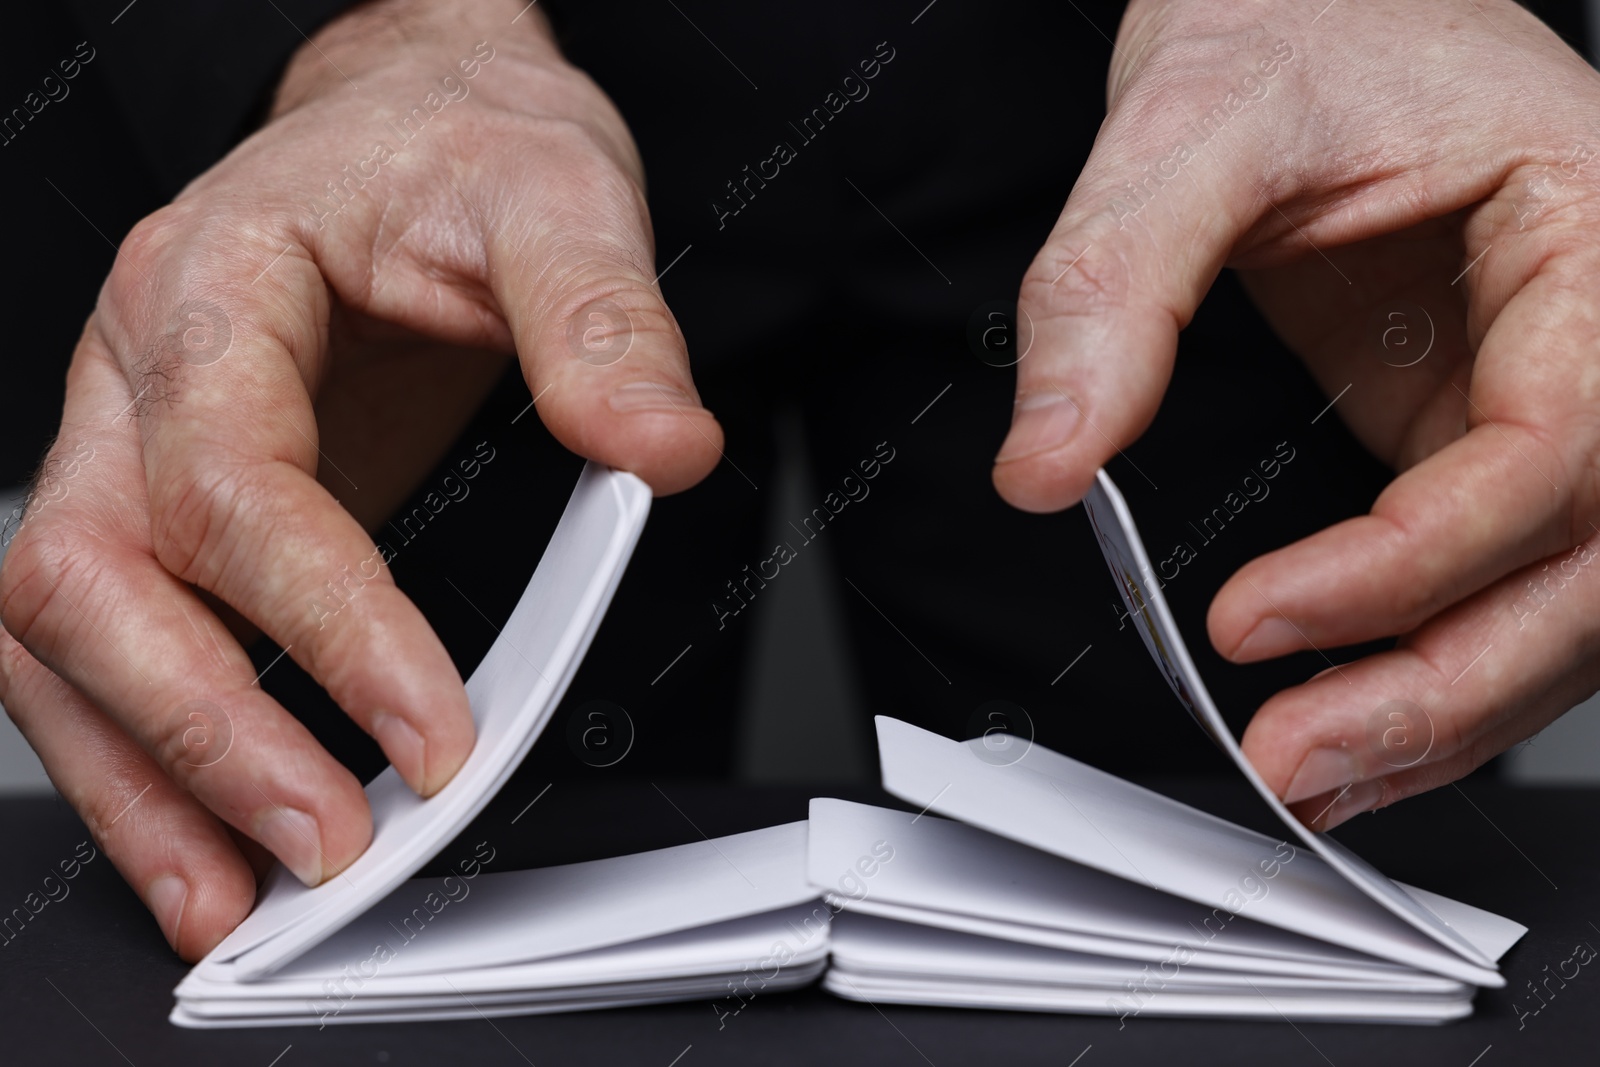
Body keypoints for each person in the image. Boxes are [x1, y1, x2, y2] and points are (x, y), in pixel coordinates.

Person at [2, 0, 1598, 964]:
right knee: (363, 886)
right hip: (423, 220)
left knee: (1273, 901)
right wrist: (358, 38)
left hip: (1227, 161)